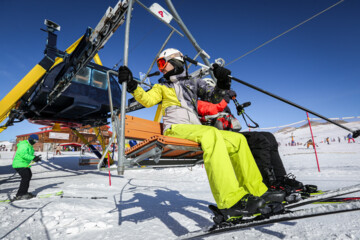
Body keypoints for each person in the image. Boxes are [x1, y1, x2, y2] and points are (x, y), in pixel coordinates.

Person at [118, 48, 285, 221]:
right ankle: (230, 200)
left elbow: (214, 97)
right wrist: (132, 86)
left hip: (194, 130)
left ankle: (258, 191)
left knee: (238, 140)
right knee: (211, 134)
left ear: (175, 61)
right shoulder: (162, 87)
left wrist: (222, 82)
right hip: (176, 128)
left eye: (162, 63)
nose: (161, 69)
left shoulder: (194, 82)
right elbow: (147, 100)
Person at [196, 91, 313, 200]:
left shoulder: (220, 105)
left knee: (269, 137)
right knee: (259, 140)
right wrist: (224, 101)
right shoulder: (199, 103)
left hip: (230, 134)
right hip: (217, 137)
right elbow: (211, 110)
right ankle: (267, 182)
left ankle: (280, 178)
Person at [12, 134, 42, 200]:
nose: (35, 142)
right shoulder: (24, 145)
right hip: (19, 164)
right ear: (30, 139)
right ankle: (20, 194)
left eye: (36, 141)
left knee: (28, 176)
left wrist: (36, 157)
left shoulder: (29, 145)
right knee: (26, 177)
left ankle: (24, 192)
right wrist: (33, 157)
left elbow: (28, 154)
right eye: (34, 140)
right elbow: (23, 154)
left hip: (24, 164)